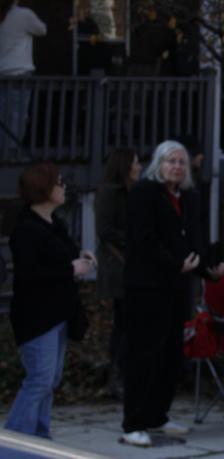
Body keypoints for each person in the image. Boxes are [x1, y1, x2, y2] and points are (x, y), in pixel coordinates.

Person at [120, 140, 224, 447]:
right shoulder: (144, 193)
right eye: (170, 161)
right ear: (158, 164)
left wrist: (207, 270)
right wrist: (175, 263)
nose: (176, 167)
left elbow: (194, 241)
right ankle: (133, 422)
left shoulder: (189, 198)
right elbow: (144, 240)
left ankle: (157, 415)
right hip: (147, 287)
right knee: (144, 355)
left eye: (181, 162)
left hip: (176, 288)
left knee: (169, 355)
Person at [5, 163, 96, 438]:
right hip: (37, 316)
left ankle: (40, 436)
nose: (63, 186)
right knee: (40, 379)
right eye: (58, 182)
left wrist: (82, 258)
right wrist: (71, 269)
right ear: (43, 189)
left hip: (58, 313)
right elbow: (31, 273)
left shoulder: (55, 224)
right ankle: (16, 440)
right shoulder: (26, 230)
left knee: (49, 380)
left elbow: (60, 259)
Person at [95, 147, 142, 396]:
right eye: (135, 162)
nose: (139, 167)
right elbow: (104, 230)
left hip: (125, 265)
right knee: (123, 324)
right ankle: (116, 374)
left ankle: (119, 373)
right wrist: (135, 240)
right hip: (118, 268)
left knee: (126, 324)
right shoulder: (110, 193)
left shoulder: (128, 192)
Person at [0, 0, 47, 150]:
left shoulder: (2, 16)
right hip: (19, 73)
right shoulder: (24, 15)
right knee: (18, 116)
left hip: (2, 73)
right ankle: (11, 151)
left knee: (3, 116)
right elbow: (42, 30)